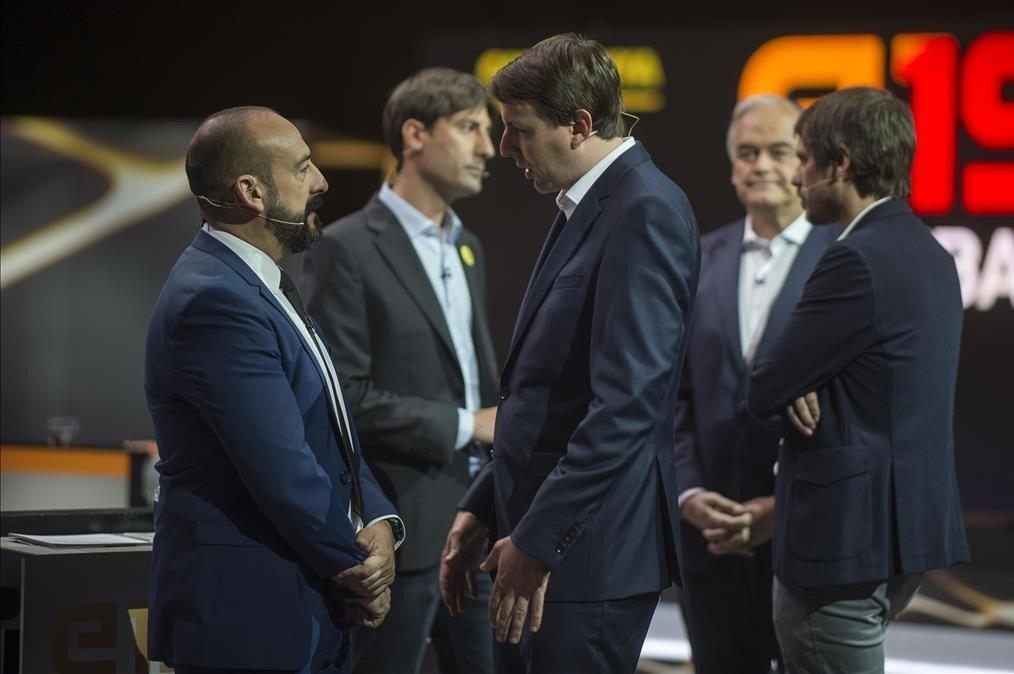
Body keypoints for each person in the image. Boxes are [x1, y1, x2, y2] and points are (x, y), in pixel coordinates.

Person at [439, 33, 700, 673]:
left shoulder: (645, 211)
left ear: (580, 124)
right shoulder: (588, 205)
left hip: (582, 557)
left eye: (519, 131)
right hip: (542, 541)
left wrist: (536, 538)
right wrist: (484, 502)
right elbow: (548, 397)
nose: (504, 149)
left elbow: (626, 407)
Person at [144, 106, 403, 674]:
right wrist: (360, 572)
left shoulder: (259, 283)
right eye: (303, 166)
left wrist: (378, 521)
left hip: (299, 608)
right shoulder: (214, 301)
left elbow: (331, 431)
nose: (321, 183)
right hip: (244, 618)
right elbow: (281, 467)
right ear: (252, 191)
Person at [747, 87, 971, 673]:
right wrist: (807, 379)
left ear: (840, 162)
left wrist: (799, 381)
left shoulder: (855, 258)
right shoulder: (930, 252)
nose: (796, 178)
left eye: (802, 159)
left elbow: (766, 382)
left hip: (842, 544)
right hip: (902, 535)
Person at [302, 68, 498, 674]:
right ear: (415, 134)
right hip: (403, 534)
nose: (488, 149)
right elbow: (346, 399)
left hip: (476, 527)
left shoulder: (468, 247)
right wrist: (471, 425)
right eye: (470, 128)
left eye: (488, 131)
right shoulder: (347, 247)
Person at [673, 94, 838, 674]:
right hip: (707, 534)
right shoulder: (696, 259)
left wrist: (781, 507)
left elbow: (854, 407)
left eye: (776, 151)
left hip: (806, 532)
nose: (761, 164)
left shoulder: (843, 257)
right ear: (732, 167)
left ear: (804, 162)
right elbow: (675, 398)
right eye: (747, 153)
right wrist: (689, 496)